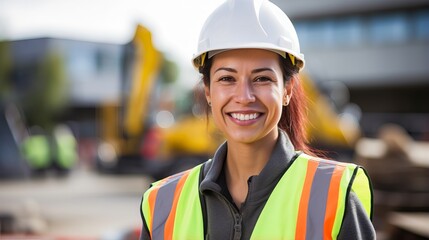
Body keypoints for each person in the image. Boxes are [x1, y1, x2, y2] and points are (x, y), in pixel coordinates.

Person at [139, 0, 375, 239]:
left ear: (287, 90)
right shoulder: (162, 203)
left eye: (262, 78)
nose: (244, 96)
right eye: (227, 79)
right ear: (208, 91)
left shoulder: (335, 194)